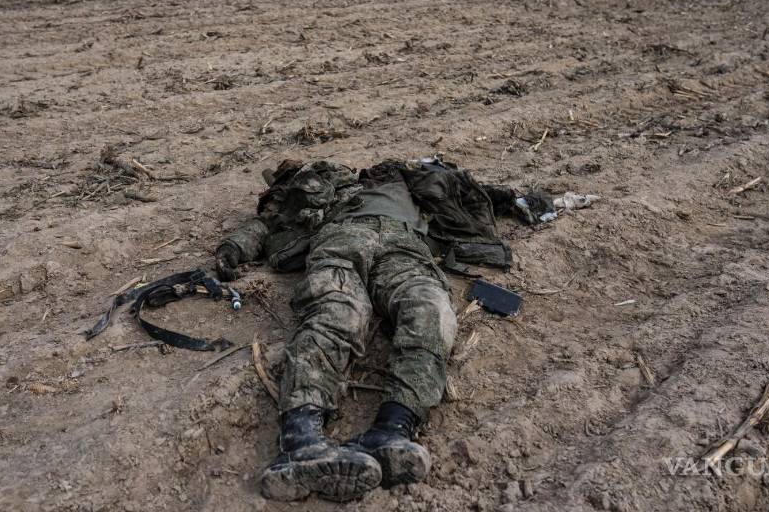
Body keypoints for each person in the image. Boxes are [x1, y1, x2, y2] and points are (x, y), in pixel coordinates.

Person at [215, 157, 550, 502]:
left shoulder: (411, 184)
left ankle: (393, 429)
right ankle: (301, 440)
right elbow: (267, 222)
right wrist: (233, 248)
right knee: (337, 313)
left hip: (405, 246)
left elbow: (470, 191)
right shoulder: (326, 190)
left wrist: (518, 200)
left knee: (430, 309)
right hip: (340, 240)